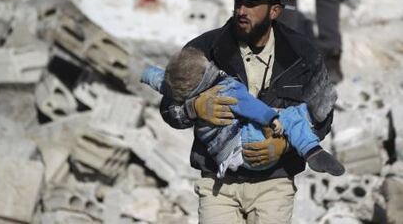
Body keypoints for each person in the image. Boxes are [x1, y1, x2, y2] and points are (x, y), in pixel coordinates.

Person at [160, 0, 337, 224]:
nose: (241, 10)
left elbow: (322, 117)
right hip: (218, 184)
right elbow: (168, 108)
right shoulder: (204, 49)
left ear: (275, 10)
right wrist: (194, 109)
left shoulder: (303, 54)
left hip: (274, 185)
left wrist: (285, 145)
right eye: (238, 2)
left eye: (251, 4)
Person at [141, 47, 345, 178]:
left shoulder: (178, 89)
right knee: (289, 116)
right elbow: (251, 106)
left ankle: (304, 120)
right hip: (249, 146)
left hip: (224, 156)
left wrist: (145, 73)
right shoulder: (225, 89)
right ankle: (312, 150)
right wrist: (271, 118)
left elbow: (160, 80)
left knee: (291, 117)